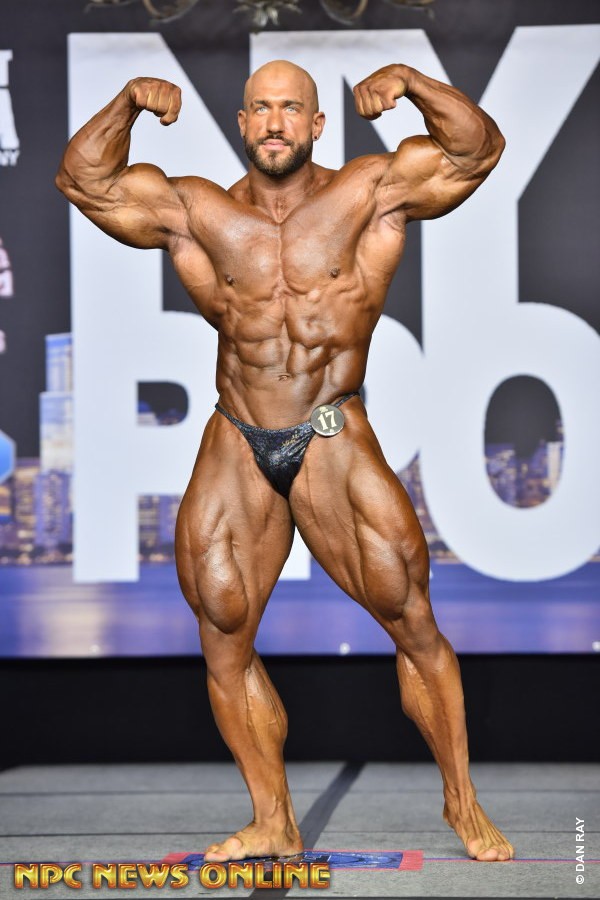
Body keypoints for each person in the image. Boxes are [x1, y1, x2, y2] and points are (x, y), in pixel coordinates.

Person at [56, 58, 513, 863]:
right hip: (238, 430)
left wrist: (413, 83)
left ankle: (462, 802)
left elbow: (476, 151)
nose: (275, 122)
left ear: (316, 124)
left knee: (410, 617)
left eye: (291, 108)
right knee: (223, 628)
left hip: (331, 427)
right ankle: (273, 819)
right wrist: (126, 103)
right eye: (261, 109)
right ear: (242, 123)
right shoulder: (196, 211)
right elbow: (84, 181)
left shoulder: (369, 192)